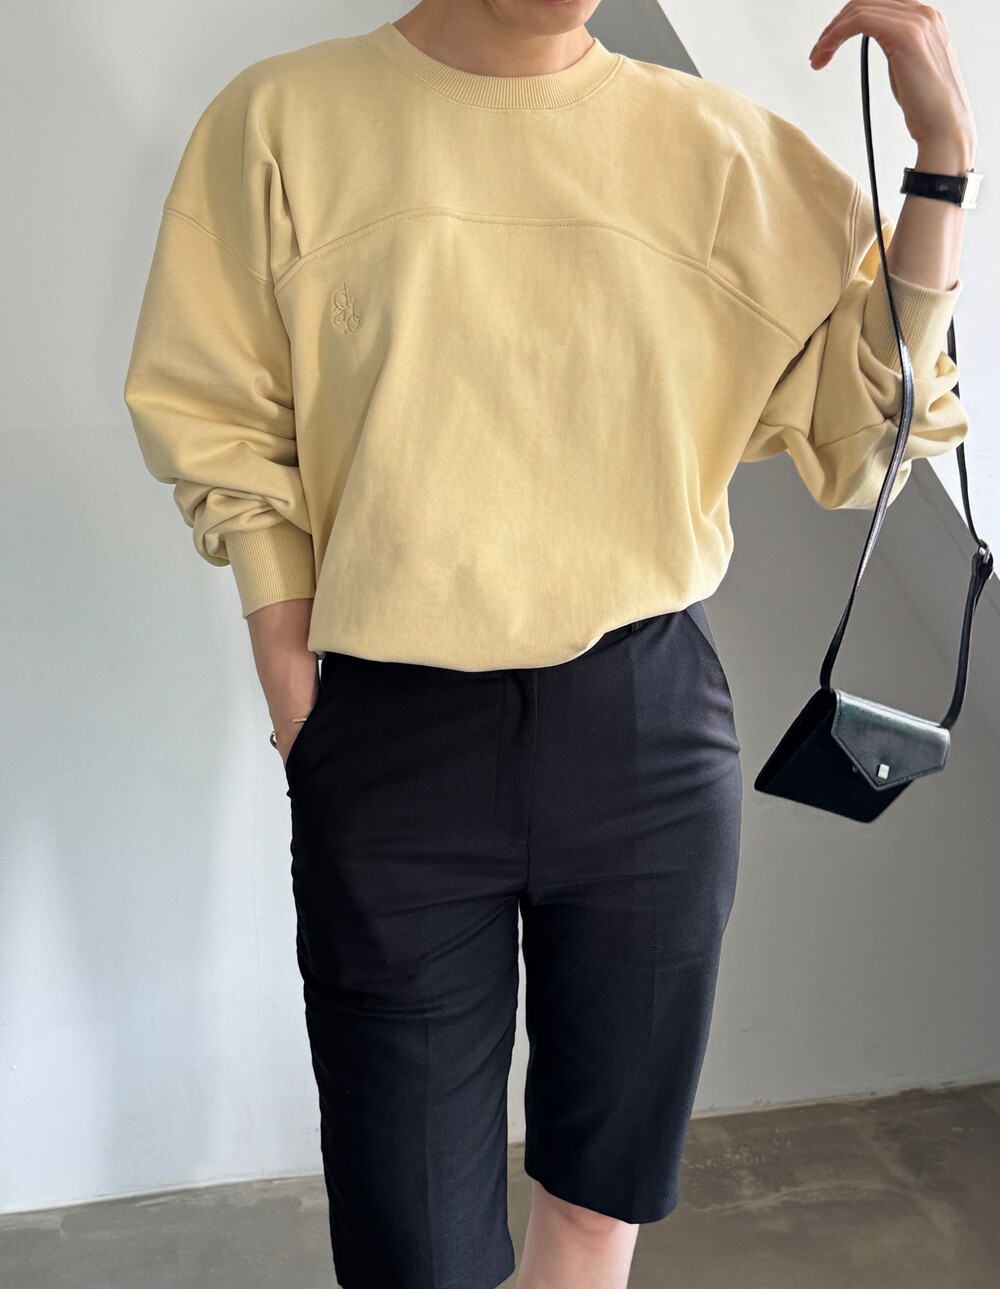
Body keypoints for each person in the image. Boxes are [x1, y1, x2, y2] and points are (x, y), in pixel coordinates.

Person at [122, 2, 972, 1285]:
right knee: (413, 1240)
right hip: (393, 735)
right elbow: (225, 420)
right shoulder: (280, 123)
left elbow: (868, 444)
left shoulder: (724, 152)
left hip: (645, 725)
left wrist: (942, 163)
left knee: (596, 1198)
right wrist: (297, 689)